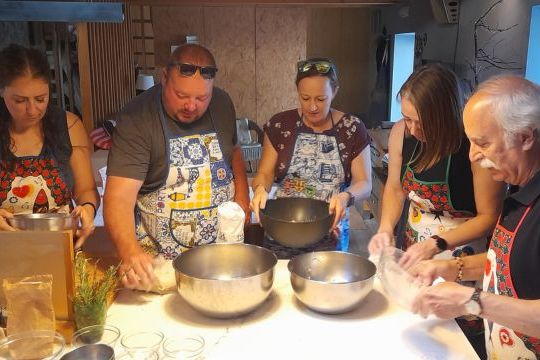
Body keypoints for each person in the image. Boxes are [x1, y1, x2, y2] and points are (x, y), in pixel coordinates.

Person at [410, 75, 540, 359]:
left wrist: (473, 301)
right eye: (470, 142)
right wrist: (448, 269)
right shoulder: (518, 189)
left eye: (482, 143)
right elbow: (512, 264)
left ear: (526, 137)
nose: (472, 156)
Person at [104, 44, 250, 288]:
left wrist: (243, 197)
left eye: (202, 98)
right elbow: (119, 197)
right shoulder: (136, 117)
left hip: (222, 256)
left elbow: (233, 150)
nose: (191, 106)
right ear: (163, 78)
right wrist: (130, 252)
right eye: (181, 96)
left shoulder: (223, 102)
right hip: (161, 264)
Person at [368, 64, 505, 268]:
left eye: (423, 123)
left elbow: (489, 216)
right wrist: (386, 228)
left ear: (446, 115)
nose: (413, 130)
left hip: (461, 256)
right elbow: (396, 190)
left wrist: (436, 244)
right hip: (413, 245)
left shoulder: (474, 144)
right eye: (407, 119)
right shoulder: (401, 133)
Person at [250, 58, 372, 258]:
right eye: (305, 98)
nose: (313, 107)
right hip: (282, 231)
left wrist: (345, 197)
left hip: (330, 232)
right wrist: (260, 190)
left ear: (335, 91)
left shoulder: (353, 128)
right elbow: (264, 173)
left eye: (321, 99)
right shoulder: (280, 125)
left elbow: (364, 183)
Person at [0, 44, 99, 248]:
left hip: (59, 246)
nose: (32, 110)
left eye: (40, 99)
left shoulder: (69, 126)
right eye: (20, 100)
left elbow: (86, 189)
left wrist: (87, 209)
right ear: (2, 91)